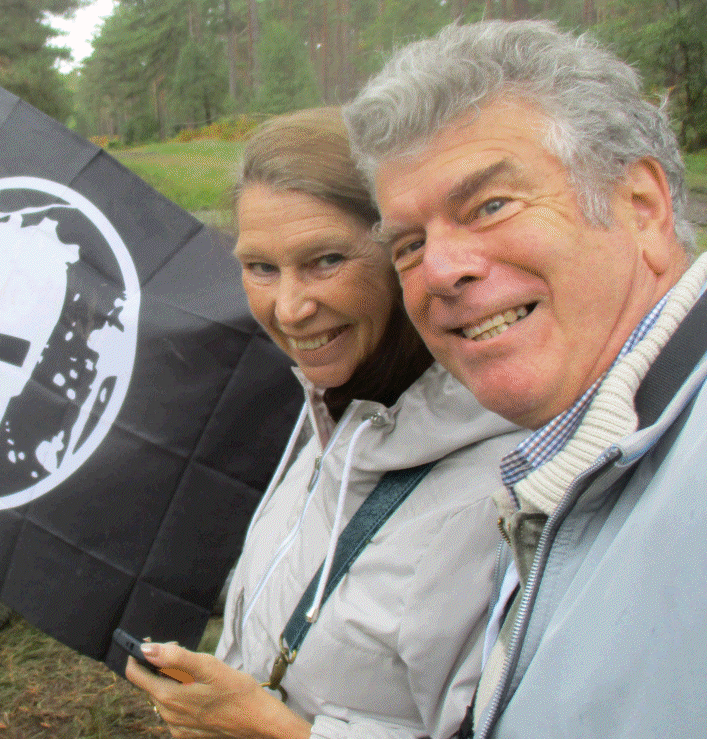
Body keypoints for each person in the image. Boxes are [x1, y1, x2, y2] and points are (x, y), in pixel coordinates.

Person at [343, 20, 707, 739]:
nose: (438, 271)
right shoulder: (583, 457)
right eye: (408, 244)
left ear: (642, 207)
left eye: (490, 206)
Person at [124, 107, 524, 739]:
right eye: (261, 267)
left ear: (406, 254)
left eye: (327, 260)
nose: (290, 308)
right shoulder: (328, 416)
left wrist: (275, 732)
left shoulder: (507, 493)